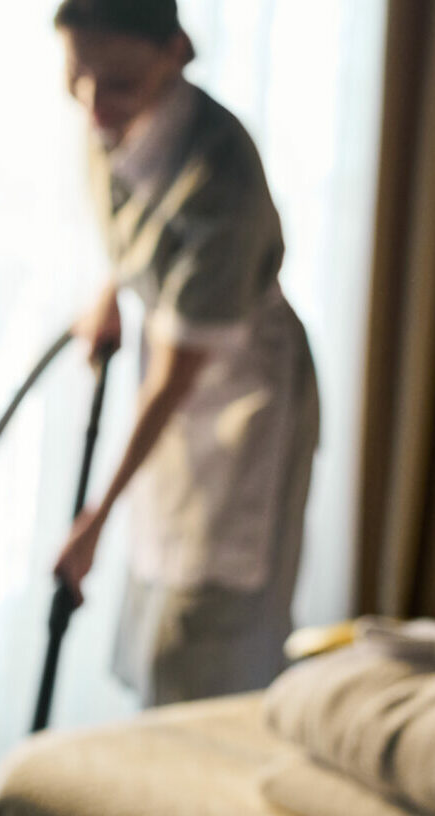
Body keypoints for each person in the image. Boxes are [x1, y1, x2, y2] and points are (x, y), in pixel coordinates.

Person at [49, 0, 319, 706]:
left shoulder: (222, 179)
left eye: (115, 85)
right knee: (158, 599)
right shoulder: (113, 115)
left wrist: (94, 521)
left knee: (208, 622)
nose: (92, 102)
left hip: (241, 406)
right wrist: (112, 291)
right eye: (76, 75)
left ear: (177, 52)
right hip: (173, 377)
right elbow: (133, 221)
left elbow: (174, 379)